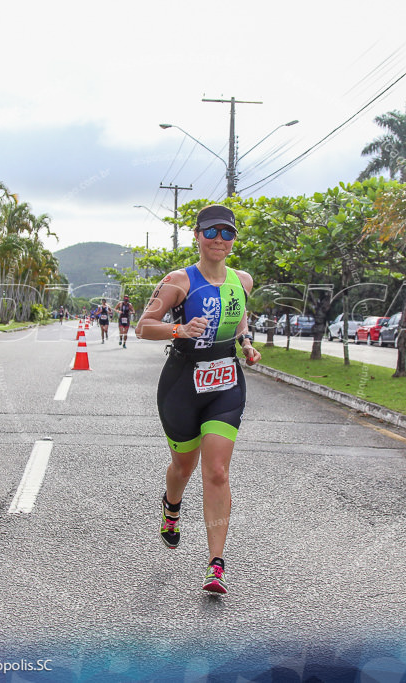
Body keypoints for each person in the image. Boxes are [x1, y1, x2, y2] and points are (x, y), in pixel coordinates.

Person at [135, 204, 261, 595]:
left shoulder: (243, 280)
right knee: (182, 468)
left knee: (217, 472)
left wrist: (245, 342)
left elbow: (239, 317)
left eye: (227, 233)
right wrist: (180, 329)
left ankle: (216, 565)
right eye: (212, 232)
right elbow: (143, 327)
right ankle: (171, 508)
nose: (220, 240)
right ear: (198, 236)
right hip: (182, 386)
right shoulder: (178, 280)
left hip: (225, 382)